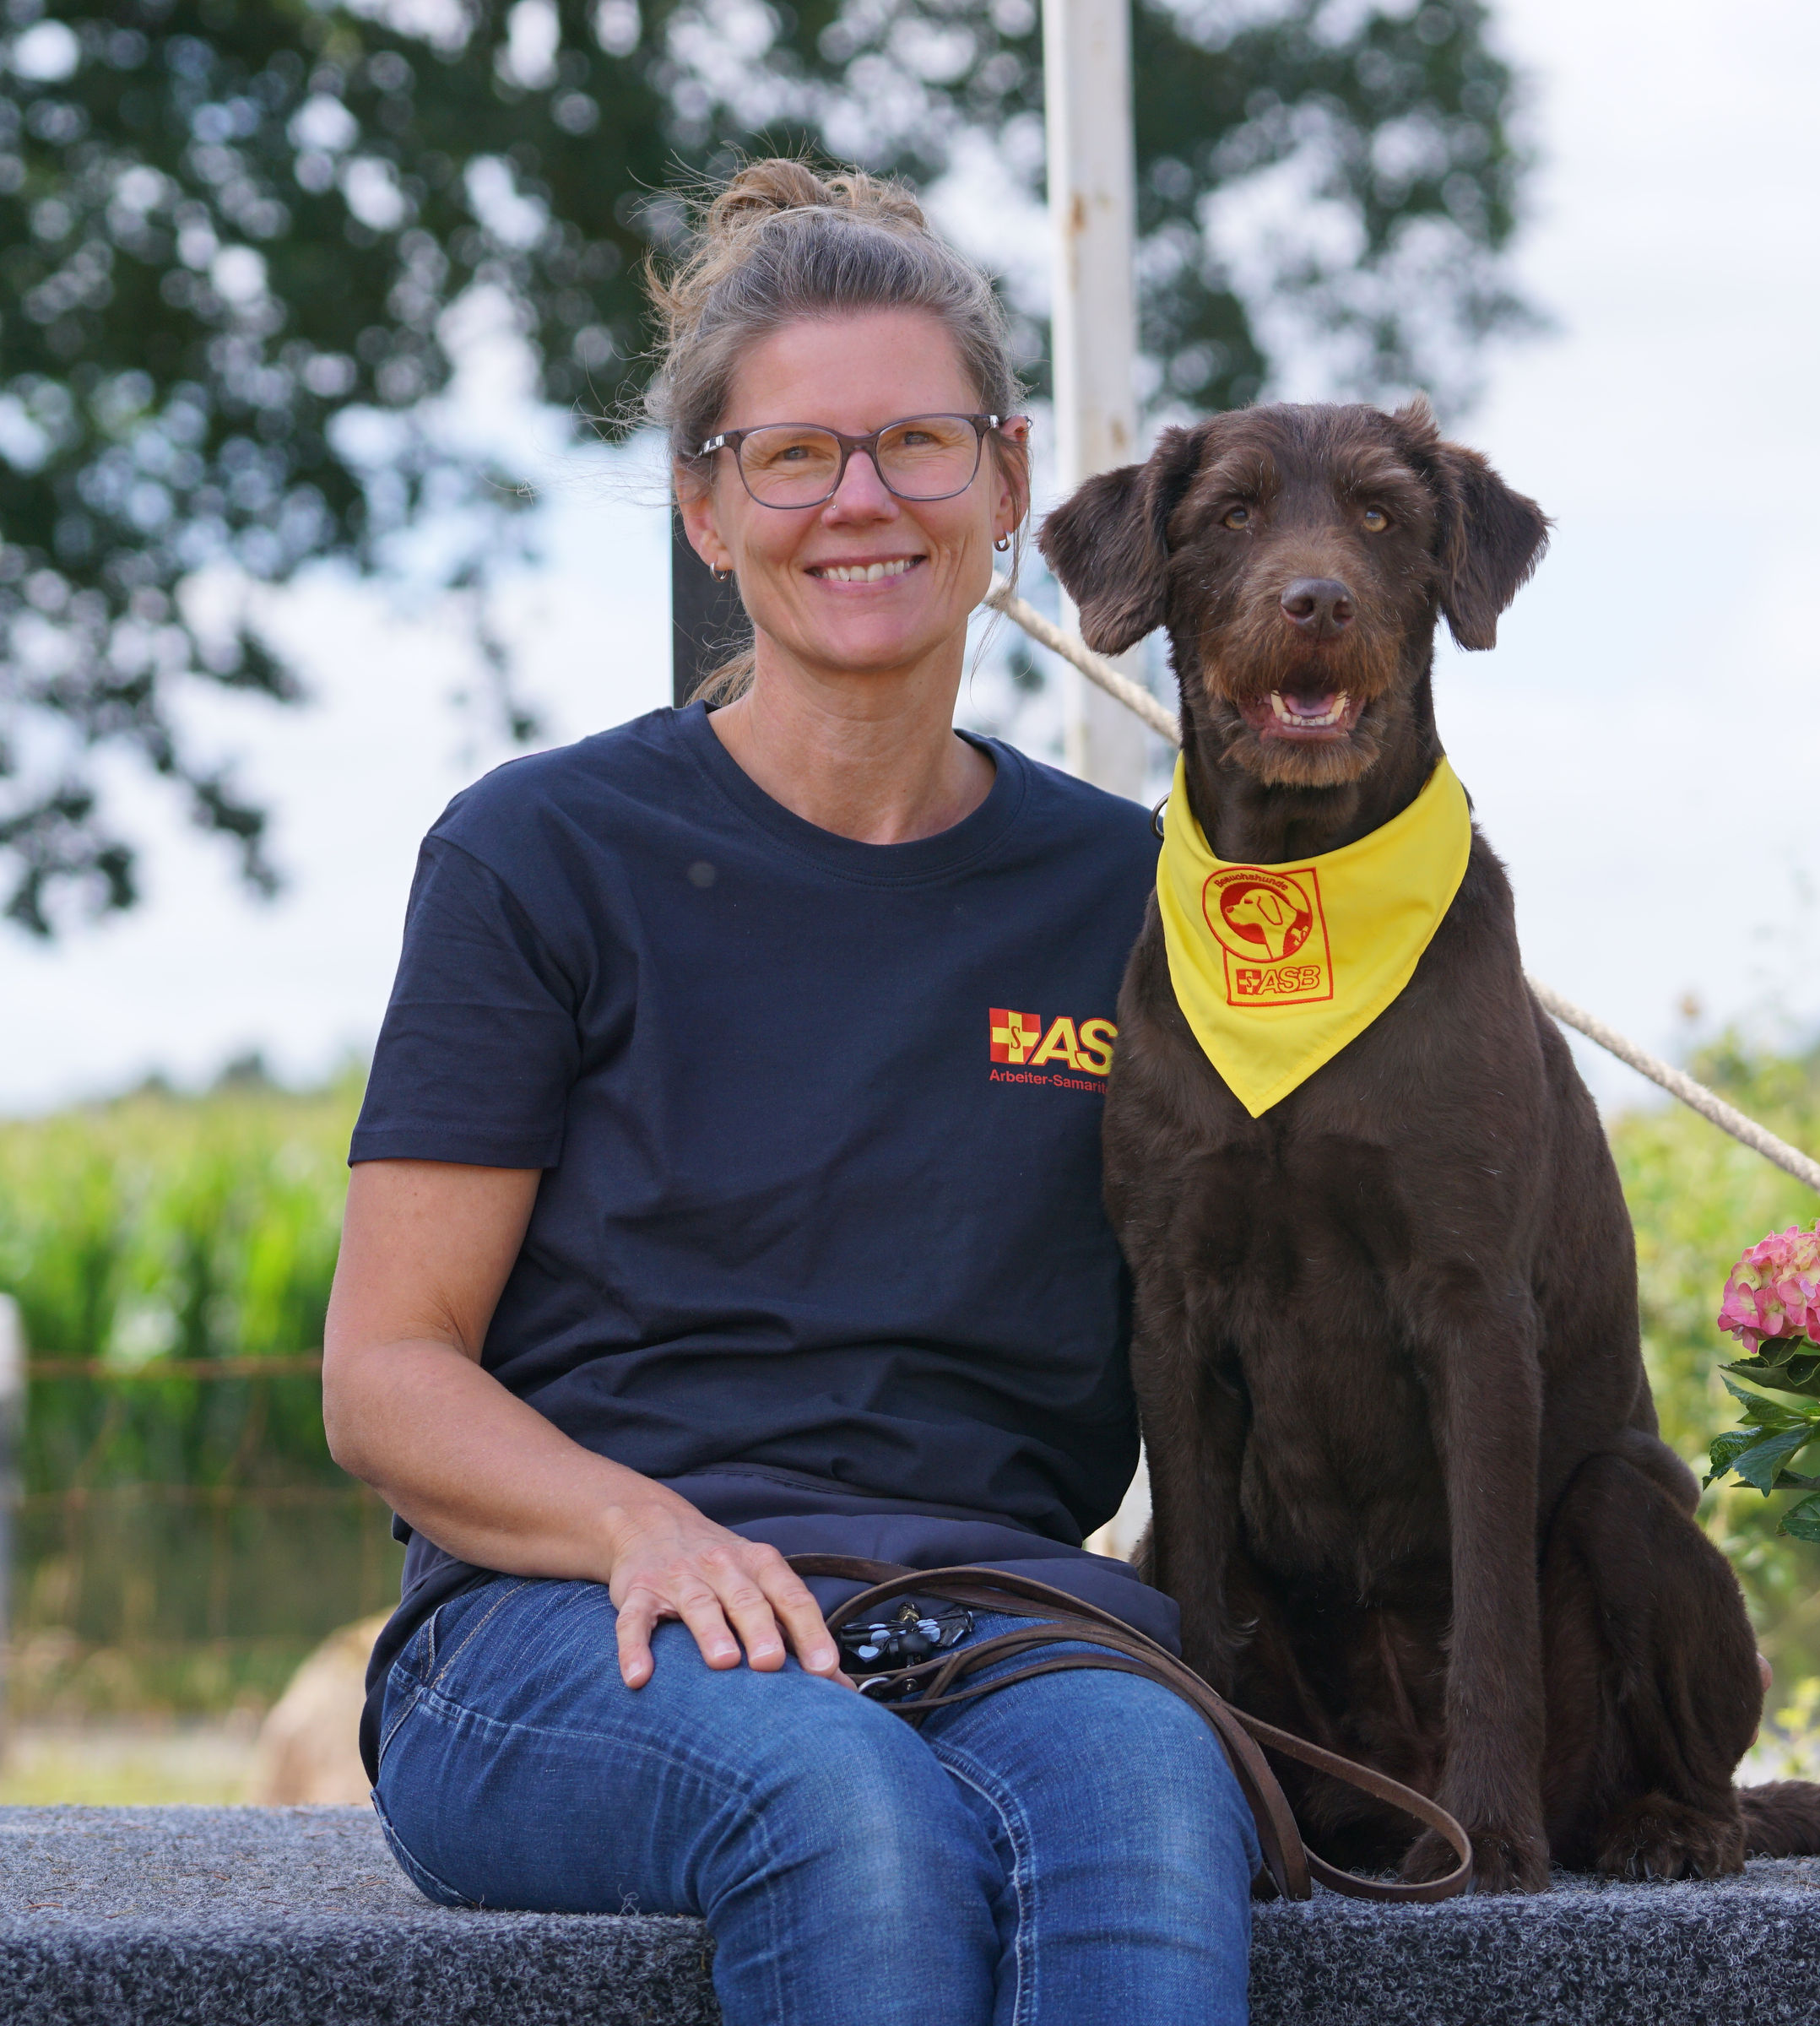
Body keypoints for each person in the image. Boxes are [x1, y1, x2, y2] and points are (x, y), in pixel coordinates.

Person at [322, 159, 1256, 2026]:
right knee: (856, 1822)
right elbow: (387, 1373)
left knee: (1158, 1809)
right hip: (570, 1618)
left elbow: (1266, 1318)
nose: (863, 501)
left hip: (1004, 1616)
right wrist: (638, 1528)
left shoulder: (1139, 897)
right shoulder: (542, 853)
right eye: (794, 455)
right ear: (705, 507)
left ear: (1005, 486)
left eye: (920, 443)